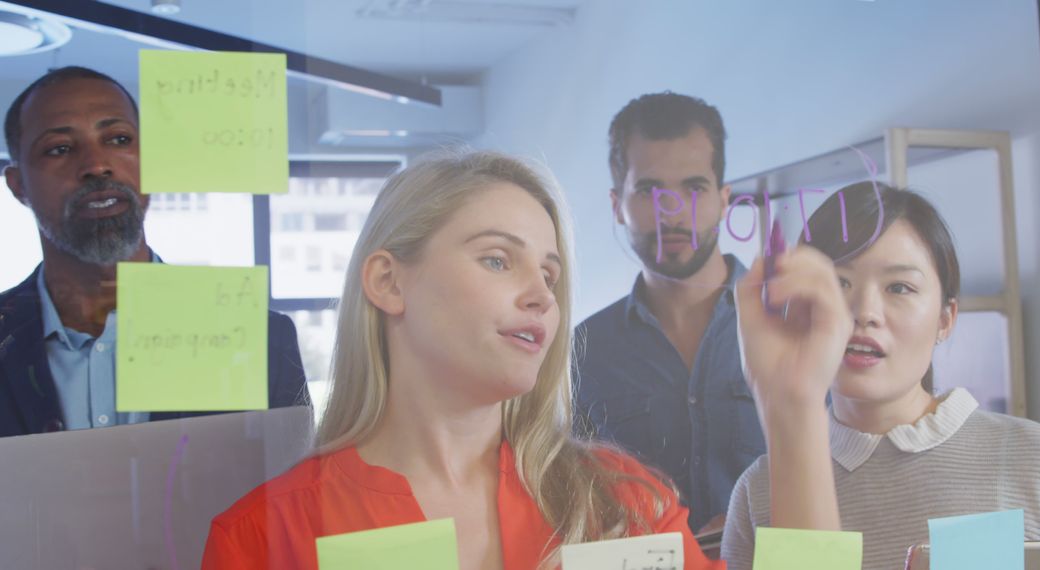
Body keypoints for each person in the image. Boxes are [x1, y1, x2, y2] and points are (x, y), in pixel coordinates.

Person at [201, 151, 724, 570]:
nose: (542, 296)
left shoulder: (626, 503)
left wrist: (787, 406)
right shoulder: (263, 539)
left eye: (550, 274)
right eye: (498, 260)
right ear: (388, 281)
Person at [721, 182, 1040, 570]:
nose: (864, 311)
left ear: (946, 318)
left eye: (899, 287)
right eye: (839, 283)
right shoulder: (758, 490)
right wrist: (791, 405)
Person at [0, 66, 308, 437]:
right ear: (18, 185)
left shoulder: (259, 339)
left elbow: (289, 490)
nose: (97, 165)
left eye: (118, 139)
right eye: (60, 148)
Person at [574, 92, 765, 532]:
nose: (673, 212)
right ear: (616, 206)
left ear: (723, 198)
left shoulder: (792, 327)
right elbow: (574, 507)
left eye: (694, 188)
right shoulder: (583, 354)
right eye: (649, 190)